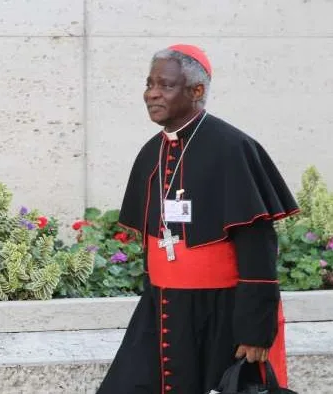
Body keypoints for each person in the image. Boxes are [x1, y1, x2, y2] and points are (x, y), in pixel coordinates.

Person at [96, 44, 300, 394]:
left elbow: (258, 246)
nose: (152, 93)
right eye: (149, 83)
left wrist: (255, 330)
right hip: (161, 309)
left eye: (165, 85)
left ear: (196, 91)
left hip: (220, 314)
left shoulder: (233, 148)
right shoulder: (151, 153)